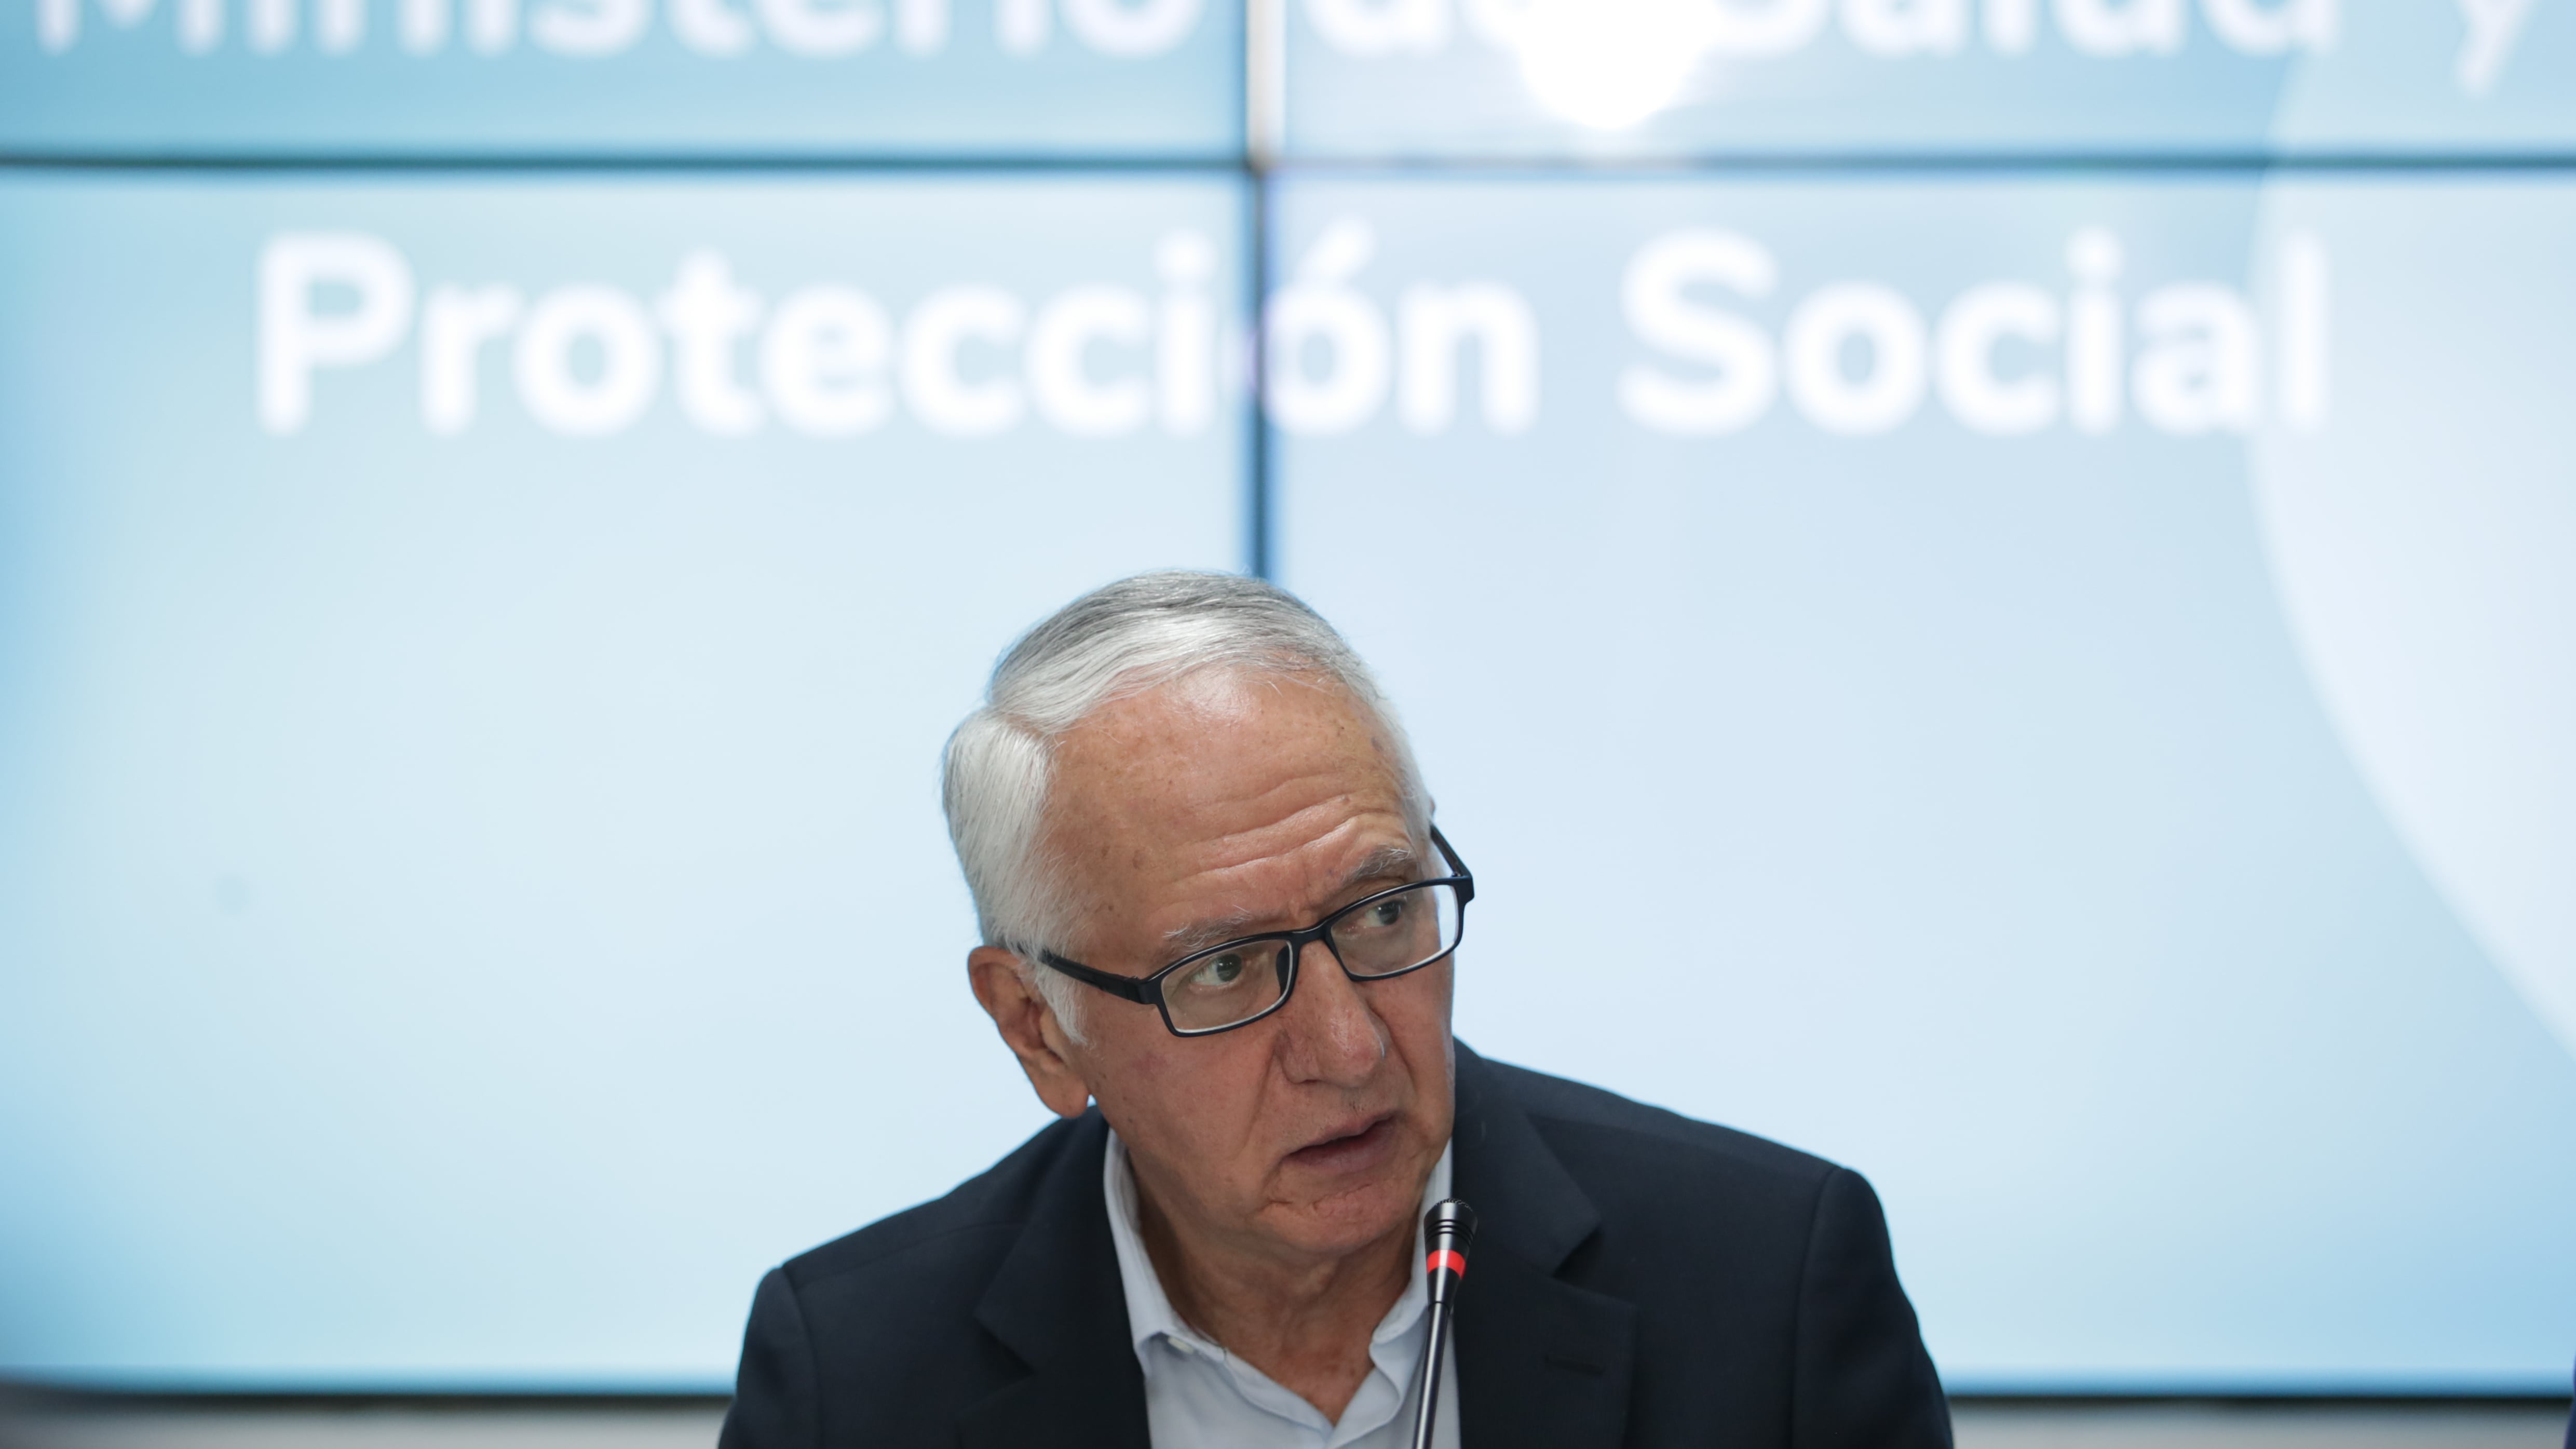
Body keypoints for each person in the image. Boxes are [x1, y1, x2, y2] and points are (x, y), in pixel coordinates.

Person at [718, 571, 1951, 1449]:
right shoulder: (856, 1377)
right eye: (1225, 972)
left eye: (1380, 915)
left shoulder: (1769, 1291)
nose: (1349, 1046)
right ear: (1039, 1028)